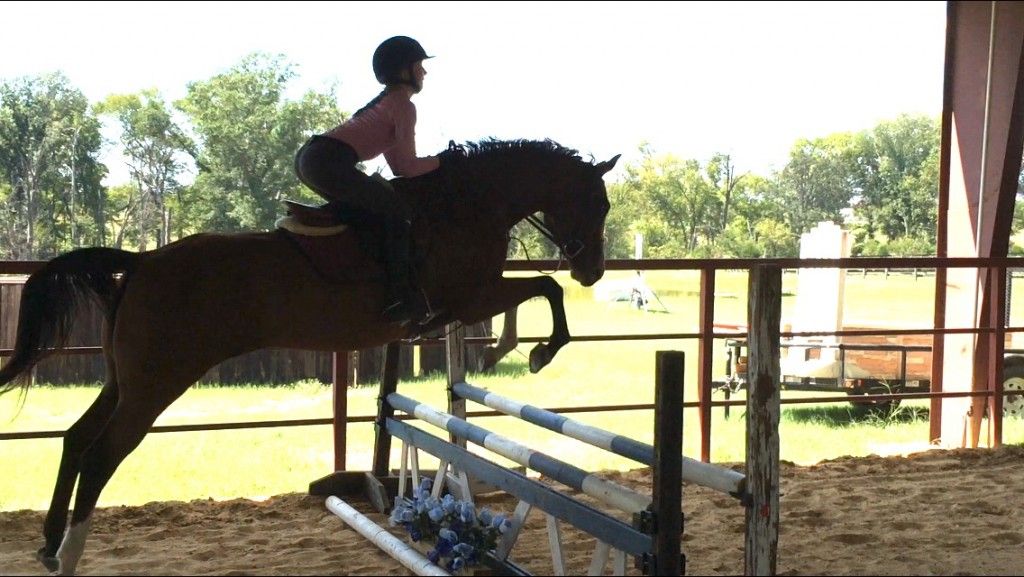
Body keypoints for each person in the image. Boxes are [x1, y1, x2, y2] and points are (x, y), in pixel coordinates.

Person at [294, 35, 449, 326]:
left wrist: (432, 163)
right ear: (404, 70)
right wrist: (445, 161)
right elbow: (406, 166)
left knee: (377, 207)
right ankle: (400, 298)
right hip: (326, 160)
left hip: (313, 159)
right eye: (419, 66)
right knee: (398, 212)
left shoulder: (389, 103)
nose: (424, 72)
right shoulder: (402, 105)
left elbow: (398, 165)